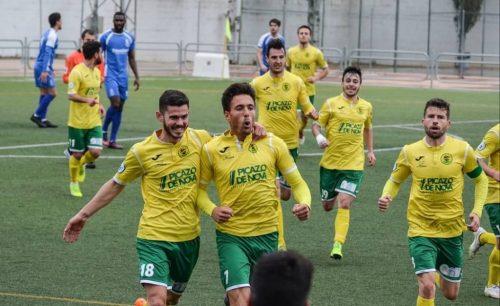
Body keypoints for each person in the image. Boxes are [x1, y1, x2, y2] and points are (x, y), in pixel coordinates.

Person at [63, 90, 211, 306]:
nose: (180, 123)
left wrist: (255, 130)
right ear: (160, 117)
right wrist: (83, 215)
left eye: (184, 117)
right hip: (153, 236)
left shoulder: (200, 138)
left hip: (189, 238)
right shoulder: (142, 151)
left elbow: (229, 146)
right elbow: (116, 184)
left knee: (172, 299)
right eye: (174, 118)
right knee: (157, 300)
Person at [196, 82, 312, 306]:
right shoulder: (212, 150)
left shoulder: (272, 143)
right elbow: (199, 192)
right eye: (240, 108)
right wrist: (213, 209)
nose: (247, 113)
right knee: (242, 300)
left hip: (268, 234)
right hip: (232, 237)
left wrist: (305, 203)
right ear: (227, 115)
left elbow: (299, 184)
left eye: (251, 107)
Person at [377, 98, 488, 306]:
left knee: (451, 293)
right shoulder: (410, 151)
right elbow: (394, 180)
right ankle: (429, 273)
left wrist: (477, 211)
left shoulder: (462, 150)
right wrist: (386, 196)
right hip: (421, 229)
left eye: (440, 117)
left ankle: (435, 271)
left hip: (452, 230)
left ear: (448, 123)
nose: (435, 121)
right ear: (423, 121)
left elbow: (481, 179)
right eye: (431, 116)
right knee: (427, 286)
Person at [250, 38, 318, 250]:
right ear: (266, 59)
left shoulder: (296, 81)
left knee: (286, 193)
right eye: (273, 58)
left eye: (281, 57)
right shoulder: (257, 84)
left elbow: (306, 104)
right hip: (266, 143)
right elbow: (248, 109)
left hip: (290, 144)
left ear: (285, 59)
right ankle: (279, 243)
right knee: (275, 192)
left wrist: (312, 113)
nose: (278, 61)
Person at [311, 66, 375, 260]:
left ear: (360, 85)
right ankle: (330, 200)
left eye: (355, 81)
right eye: (348, 80)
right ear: (342, 83)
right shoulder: (331, 104)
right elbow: (316, 125)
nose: (351, 84)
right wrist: (319, 137)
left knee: (344, 203)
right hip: (330, 163)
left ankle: (338, 245)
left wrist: (370, 151)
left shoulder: (366, 107)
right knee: (327, 206)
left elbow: (368, 128)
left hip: (353, 164)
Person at [66, 40, 105, 197]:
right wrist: (87, 100)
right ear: (95, 54)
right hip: (77, 121)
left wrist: (99, 104)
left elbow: (94, 93)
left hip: (94, 120)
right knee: (76, 154)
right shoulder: (77, 72)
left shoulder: (97, 72)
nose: (101, 55)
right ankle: (74, 182)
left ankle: (80, 164)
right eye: (100, 53)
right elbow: (71, 95)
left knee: (95, 152)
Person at [100, 11, 140, 149]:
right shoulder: (106, 37)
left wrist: (137, 77)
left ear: (124, 22)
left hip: (123, 77)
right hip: (110, 75)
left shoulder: (129, 38)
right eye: (116, 20)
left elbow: (132, 58)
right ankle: (103, 130)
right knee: (115, 103)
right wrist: (97, 74)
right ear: (113, 21)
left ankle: (112, 140)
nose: (118, 23)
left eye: (121, 20)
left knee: (120, 108)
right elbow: (98, 55)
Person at [469, 123, 499, 299]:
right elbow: (475, 157)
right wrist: (492, 172)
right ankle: (492, 285)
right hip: (497, 196)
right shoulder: (495, 134)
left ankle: (482, 237)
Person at [286, 25, 329, 145]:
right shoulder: (291, 51)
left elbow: (326, 69)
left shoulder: (316, 53)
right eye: (301, 33)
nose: (303, 35)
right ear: (298, 35)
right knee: (293, 116)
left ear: (309, 36)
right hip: (292, 90)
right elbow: (287, 68)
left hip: (308, 91)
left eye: (306, 33)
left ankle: (300, 131)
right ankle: (293, 140)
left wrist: (316, 77)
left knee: (305, 118)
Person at [30, 12, 62, 128]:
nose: (61, 22)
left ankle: (42, 119)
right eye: (60, 20)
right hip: (43, 67)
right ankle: (36, 115)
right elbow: (47, 53)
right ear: (57, 21)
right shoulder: (52, 35)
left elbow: (44, 52)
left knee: (44, 92)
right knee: (53, 93)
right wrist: (45, 70)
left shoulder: (46, 34)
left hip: (40, 65)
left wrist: (49, 68)